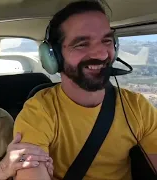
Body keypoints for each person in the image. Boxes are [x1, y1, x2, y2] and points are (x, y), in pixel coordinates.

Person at [13, 1, 157, 180]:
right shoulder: (38, 113)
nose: (101, 54)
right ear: (53, 57)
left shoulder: (138, 107)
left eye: (106, 40)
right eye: (81, 44)